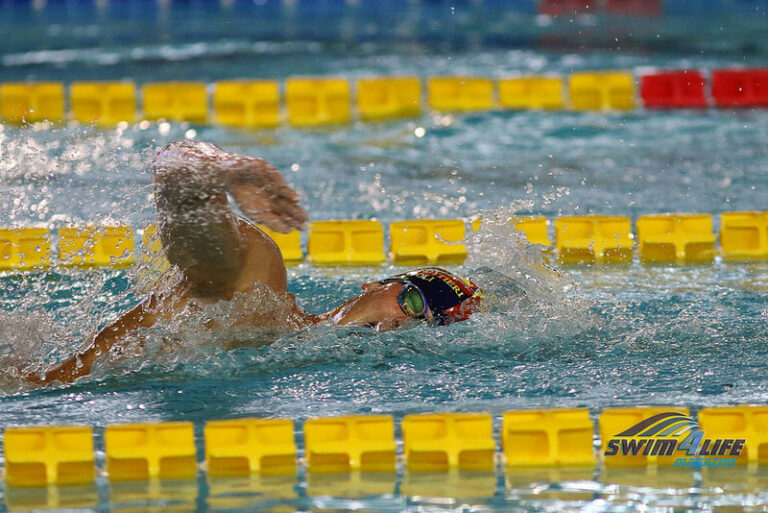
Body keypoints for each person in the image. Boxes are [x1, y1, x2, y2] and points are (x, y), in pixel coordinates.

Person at [26, 141, 482, 386]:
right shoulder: (263, 284)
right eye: (408, 296)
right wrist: (228, 169)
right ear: (371, 286)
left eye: (422, 318)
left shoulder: (304, 363)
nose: (403, 316)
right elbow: (173, 165)